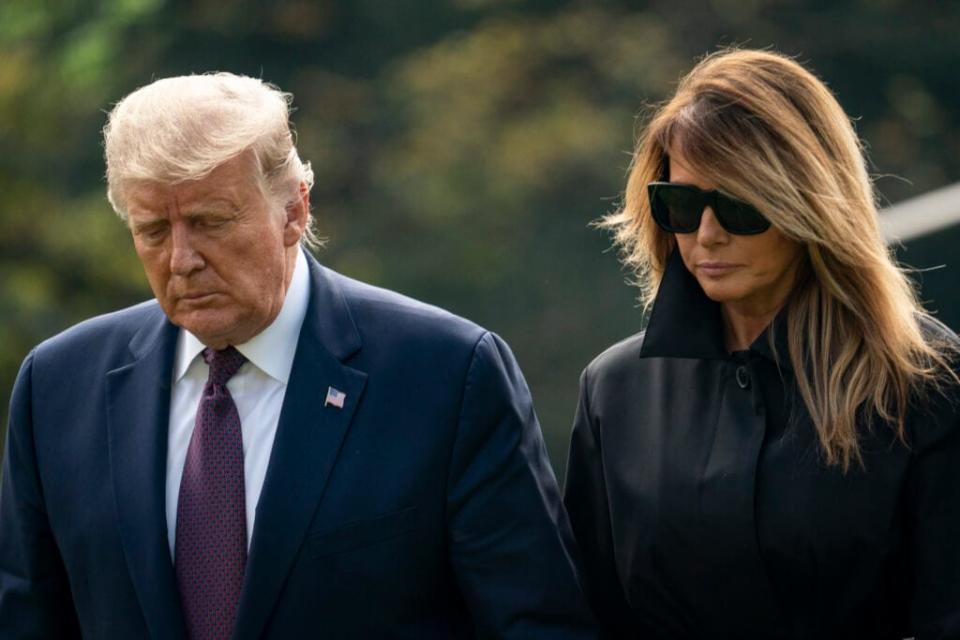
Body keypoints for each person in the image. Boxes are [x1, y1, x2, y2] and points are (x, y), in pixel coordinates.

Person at [0, 72, 596, 639]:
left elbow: (536, 624)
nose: (181, 259)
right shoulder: (58, 387)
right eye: (153, 230)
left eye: (210, 222)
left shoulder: (447, 375)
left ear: (294, 210)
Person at [563, 49, 960, 638]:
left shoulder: (926, 384)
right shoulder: (615, 391)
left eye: (739, 206)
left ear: (808, 206)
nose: (707, 234)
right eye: (682, 203)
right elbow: (585, 616)